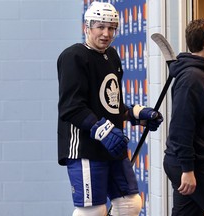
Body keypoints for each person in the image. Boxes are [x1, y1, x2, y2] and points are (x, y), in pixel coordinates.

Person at [57, 2, 163, 216]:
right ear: (87, 27)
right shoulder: (74, 57)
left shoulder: (112, 56)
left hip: (111, 147)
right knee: (93, 210)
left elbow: (112, 106)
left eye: (111, 28)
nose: (106, 33)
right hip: (85, 148)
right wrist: (102, 130)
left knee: (130, 204)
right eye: (100, 27)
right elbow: (71, 107)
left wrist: (137, 115)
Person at [163, 18, 204, 216]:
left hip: (191, 164)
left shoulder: (202, 75)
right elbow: (180, 128)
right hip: (193, 165)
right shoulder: (192, 78)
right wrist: (187, 170)